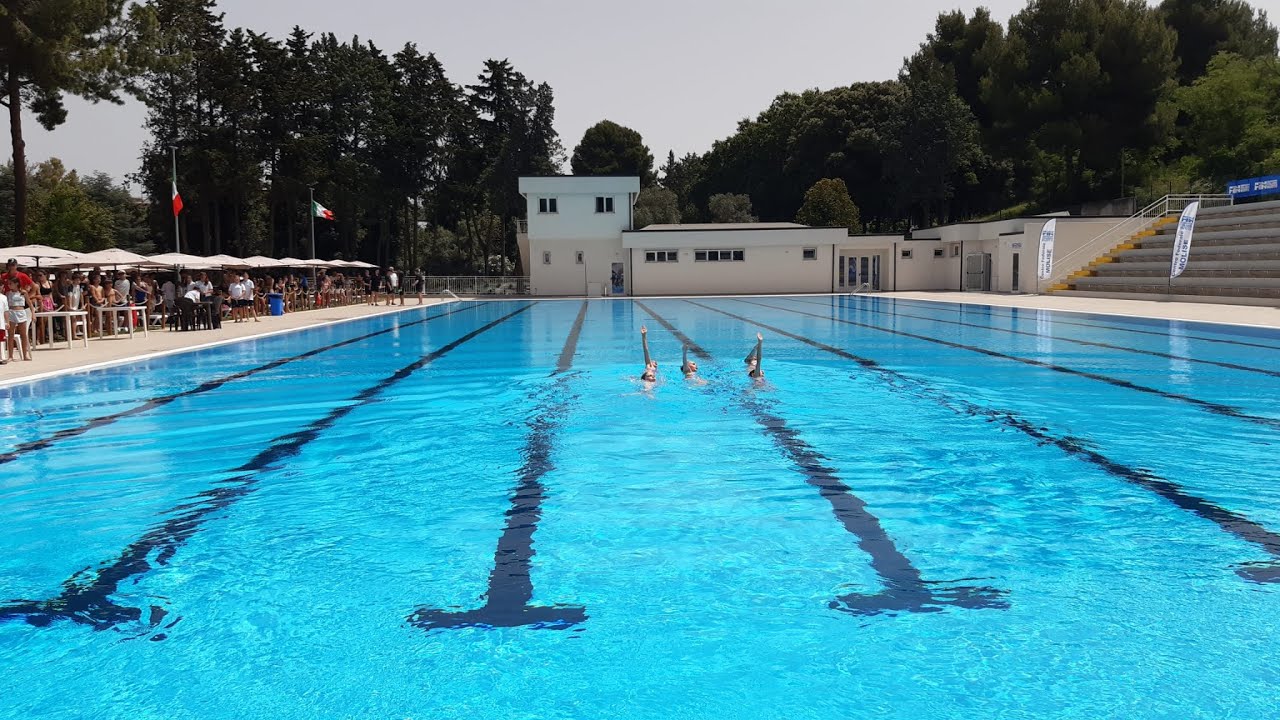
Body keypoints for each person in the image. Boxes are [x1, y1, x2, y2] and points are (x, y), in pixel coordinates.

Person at [6, 276, 32, 361]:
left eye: (11, 283)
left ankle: (25, 355)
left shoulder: (23, 292)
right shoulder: (8, 293)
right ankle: (10, 356)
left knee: (23, 335)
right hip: (11, 312)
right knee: (11, 335)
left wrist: (33, 314)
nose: (9, 285)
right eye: (8, 284)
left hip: (21, 312)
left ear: (16, 284)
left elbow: (30, 304)